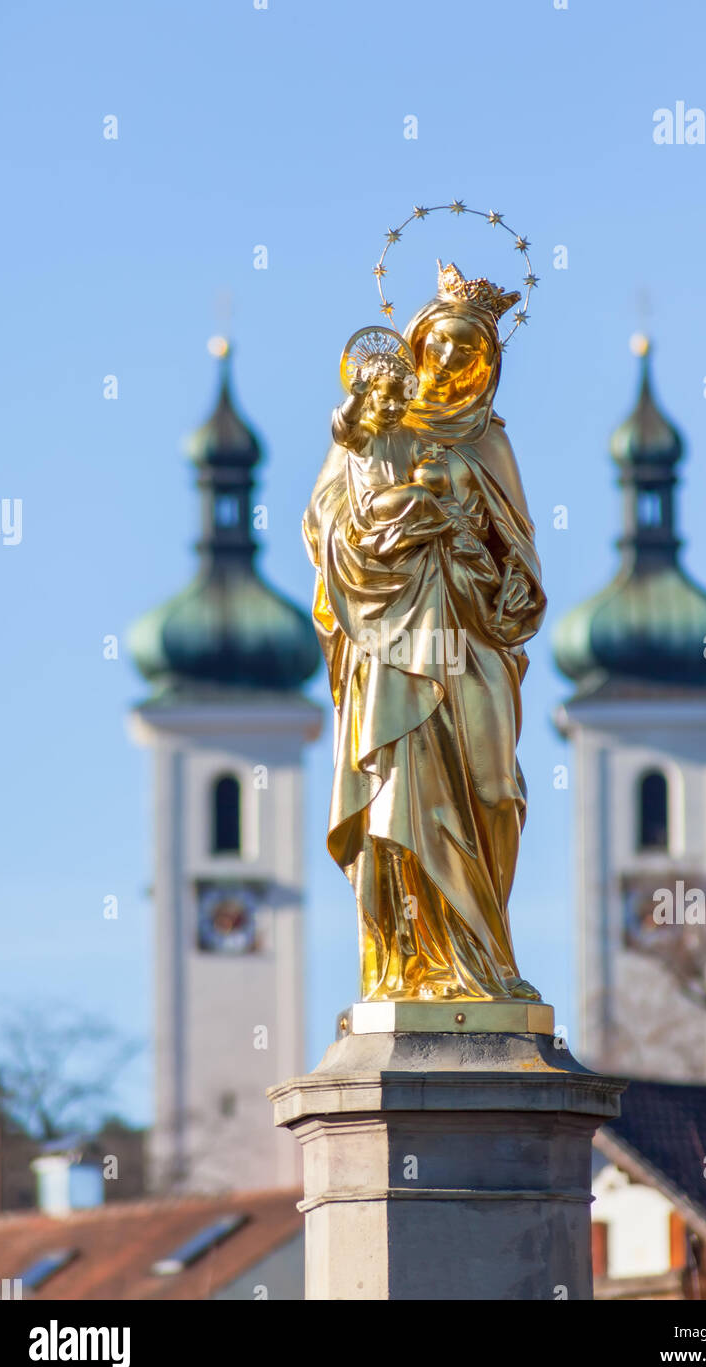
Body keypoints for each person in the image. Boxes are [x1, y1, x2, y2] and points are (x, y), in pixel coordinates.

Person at [303, 262, 546, 1001]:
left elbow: (523, 565)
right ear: (416, 343)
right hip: (395, 642)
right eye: (438, 344)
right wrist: (400, 523)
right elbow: (326, 528)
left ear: (488, 365)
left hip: (472, 642)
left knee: (495, 792)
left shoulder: (491, 447)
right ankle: (415, 964)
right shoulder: (376, 427)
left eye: (467, 351)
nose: (447, 360)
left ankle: (486, 959)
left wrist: (505, 583)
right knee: (402, 798)